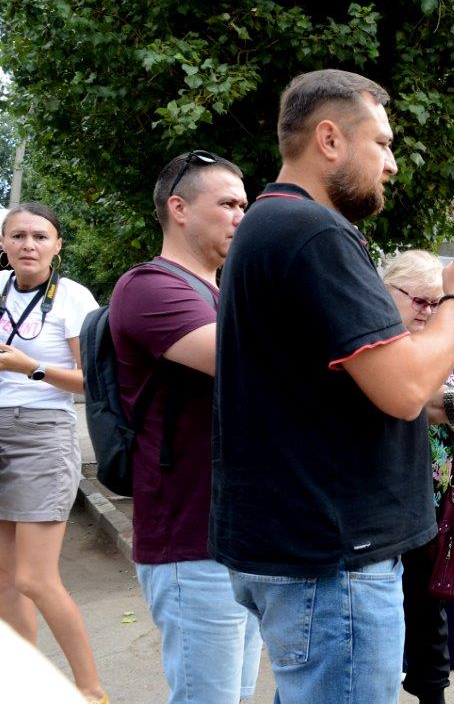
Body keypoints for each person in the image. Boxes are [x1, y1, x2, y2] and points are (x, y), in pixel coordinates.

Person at [212, 69, 454, 704]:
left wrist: (449, 403)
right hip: (332, 558)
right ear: (329, 139)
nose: (392, 163)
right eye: (381, 143)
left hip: (307, 549)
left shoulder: (272, 226)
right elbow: (401, 387)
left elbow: (340, 388)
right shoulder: (314, 233)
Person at [110, 151, 262, 703]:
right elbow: (254, 363)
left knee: (235, 695)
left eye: (244, 205)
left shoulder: (221, 294)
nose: (242, 217)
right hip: (190, 542)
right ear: (178, 208)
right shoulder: (150, 286)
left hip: (236, 539)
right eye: (228, 204)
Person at [0, 202, 107, 703]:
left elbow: (93, 382)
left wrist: (30, 368)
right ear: (3, 243)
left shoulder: (72, 297)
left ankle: (90, 690)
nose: (28, 245)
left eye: (40, 236)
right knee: (5, 580)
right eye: (18, 236)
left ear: (57, 245)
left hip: (41, 434)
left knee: (34, 578)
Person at [381, 249, 454, 700]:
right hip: (382, 509)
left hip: (438, 503)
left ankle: (433, 686)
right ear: (386, 291)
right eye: (420, 301)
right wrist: (452, 406)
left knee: (432, 614)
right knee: (382, 620)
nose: (429, 312)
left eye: (437, 303)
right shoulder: (375, 344)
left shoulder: (447, 345)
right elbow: (401, 399)